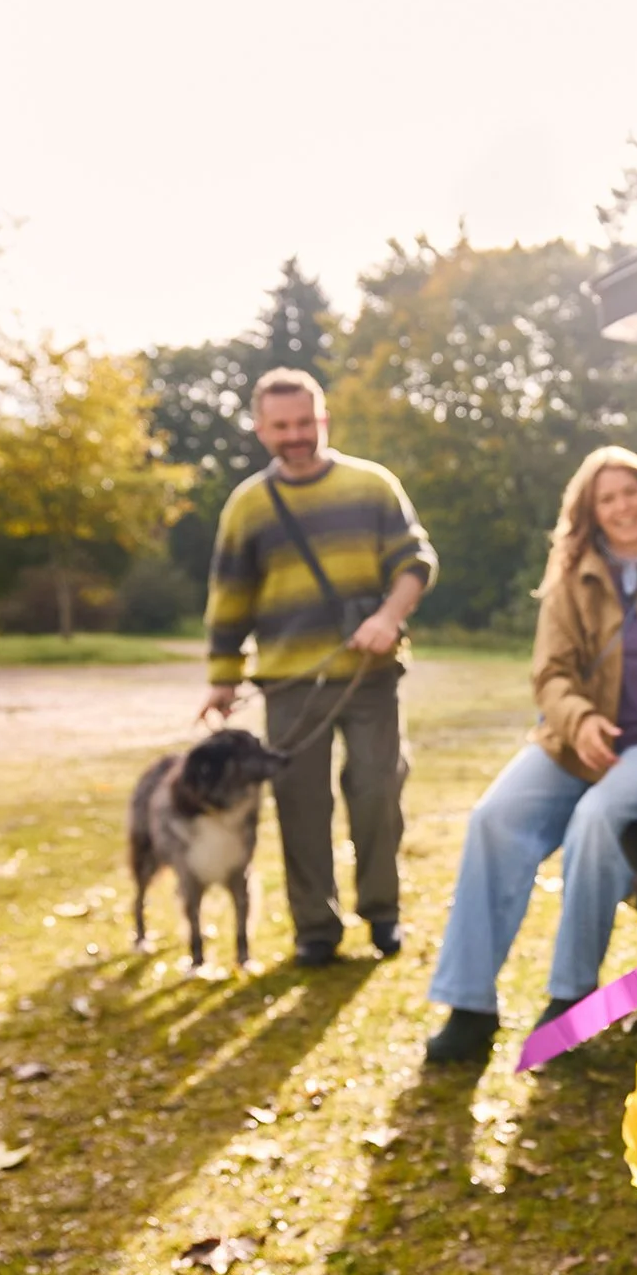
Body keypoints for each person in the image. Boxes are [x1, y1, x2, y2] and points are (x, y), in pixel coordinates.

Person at [424, 447, 637, 1065]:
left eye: (630, 492)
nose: (621, 507)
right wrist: (580, 720)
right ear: (590, 513)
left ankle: (570, 998)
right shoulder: (572, 575)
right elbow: (550, 674)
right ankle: (469, 1007)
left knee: (595, 818)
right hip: (581, 737)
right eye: (606, 499)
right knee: (493, 819)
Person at [201, 367, 438, 968]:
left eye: (305, 422)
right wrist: (223, 679)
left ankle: (382, 911)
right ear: (261, 429)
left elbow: (416, 560)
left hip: (370, 675)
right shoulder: (248, 505)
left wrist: (388, 617)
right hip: (289, 683)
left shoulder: (372, 485)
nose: (296, 435)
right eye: (281, 426)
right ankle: (315, 927)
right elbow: (230, 598)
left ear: (323, 419)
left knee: (377, 791)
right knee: (300, 804)